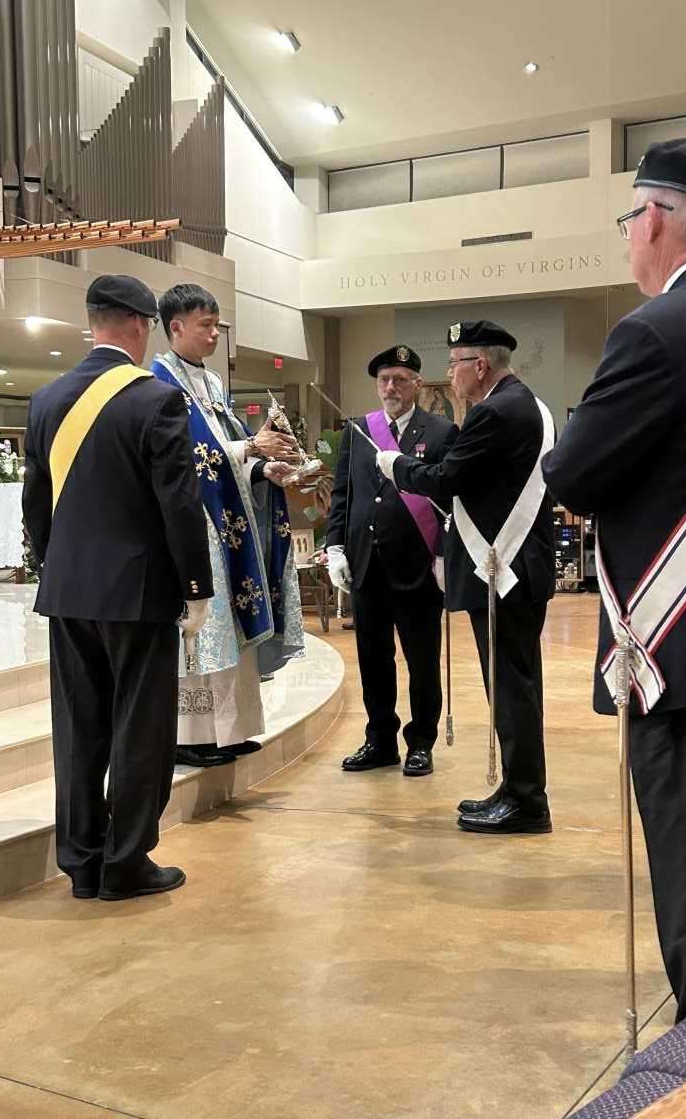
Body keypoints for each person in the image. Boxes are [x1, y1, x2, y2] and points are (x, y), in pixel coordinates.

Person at [542, 137, 686, 1021]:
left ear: (654, 219)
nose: (629, 237)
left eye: (628, 219)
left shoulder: (655, 331)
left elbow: (575, 474)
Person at [22, 274, 213, 901]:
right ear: (138, 324)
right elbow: (178, 505)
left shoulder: (46, 398)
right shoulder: (156, 399)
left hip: (69, 593)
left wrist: (57, 568)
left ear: (93, 321)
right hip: (138, 594)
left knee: (78, 730)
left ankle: (81, 861)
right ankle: (126, 862)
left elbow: (35, 505)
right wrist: (196, 587)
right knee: (140, 728)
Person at [377, 322, 555, 832]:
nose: (449, 373)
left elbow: (447, 477)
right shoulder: (527, 404)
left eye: (454, 362)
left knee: (511, 689)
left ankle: (526, 801)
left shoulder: (494, 412)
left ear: (480, 365)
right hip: (520, 569)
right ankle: (517, 789)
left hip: (504, 573)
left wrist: (396, 466)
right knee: (515, 685)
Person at [151, 283, 305, 768]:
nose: (215, 334)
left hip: (230, 520)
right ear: (176, 327)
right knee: (205, 625)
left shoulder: (214, 384)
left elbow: (231, 451)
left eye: (217, 325)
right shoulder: (160, 384)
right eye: (206, 325)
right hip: (196, 527)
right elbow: (185, 460)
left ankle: (229, 730)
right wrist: (252, 449)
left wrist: (263, 469)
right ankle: (189, 735)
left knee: (231, 626)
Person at [326, 345, 460, 776]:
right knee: (373, 659)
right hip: (367, 566)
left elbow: (450, 501)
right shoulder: (358, 430)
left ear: (417, 384)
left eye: (400, 380)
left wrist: (444, 555)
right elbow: (343, 495)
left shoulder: (441, 432)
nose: (391, 387)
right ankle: (380, 739)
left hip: (417, 568)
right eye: (384, 380)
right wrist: (335, 547)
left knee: (422, 661)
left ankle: (421, 742)